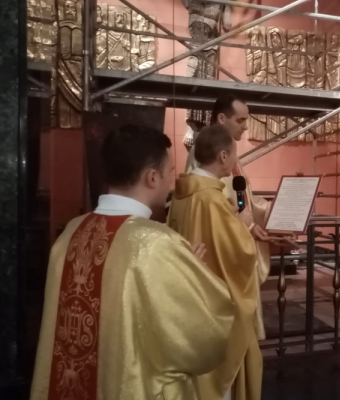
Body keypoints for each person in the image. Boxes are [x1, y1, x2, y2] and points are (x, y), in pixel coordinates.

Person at [30, 125, 234, 400]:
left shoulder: (70, 234)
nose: (171, 181)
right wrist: (193, 281)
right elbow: (205, 340)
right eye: (170, 172)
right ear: (152, 177)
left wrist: (181, 271)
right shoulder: (157, 244)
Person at [169, 124, 261, 400]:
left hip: (186, 301)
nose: (235, 160)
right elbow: (237, 254)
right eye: (234, 154)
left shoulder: (182, 193)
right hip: (212, 308)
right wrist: (241, 226)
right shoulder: (211, 200)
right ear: (223, 156)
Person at [185, 94, 271, 342]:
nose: (245, 127)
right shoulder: (203, 153)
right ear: (222, 118)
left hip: (236, 238)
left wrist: (267, 216)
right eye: (240, 120)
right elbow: (210, 207)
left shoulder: (230, 153)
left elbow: (243, 196)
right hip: (220, 253)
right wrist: (243, 226)